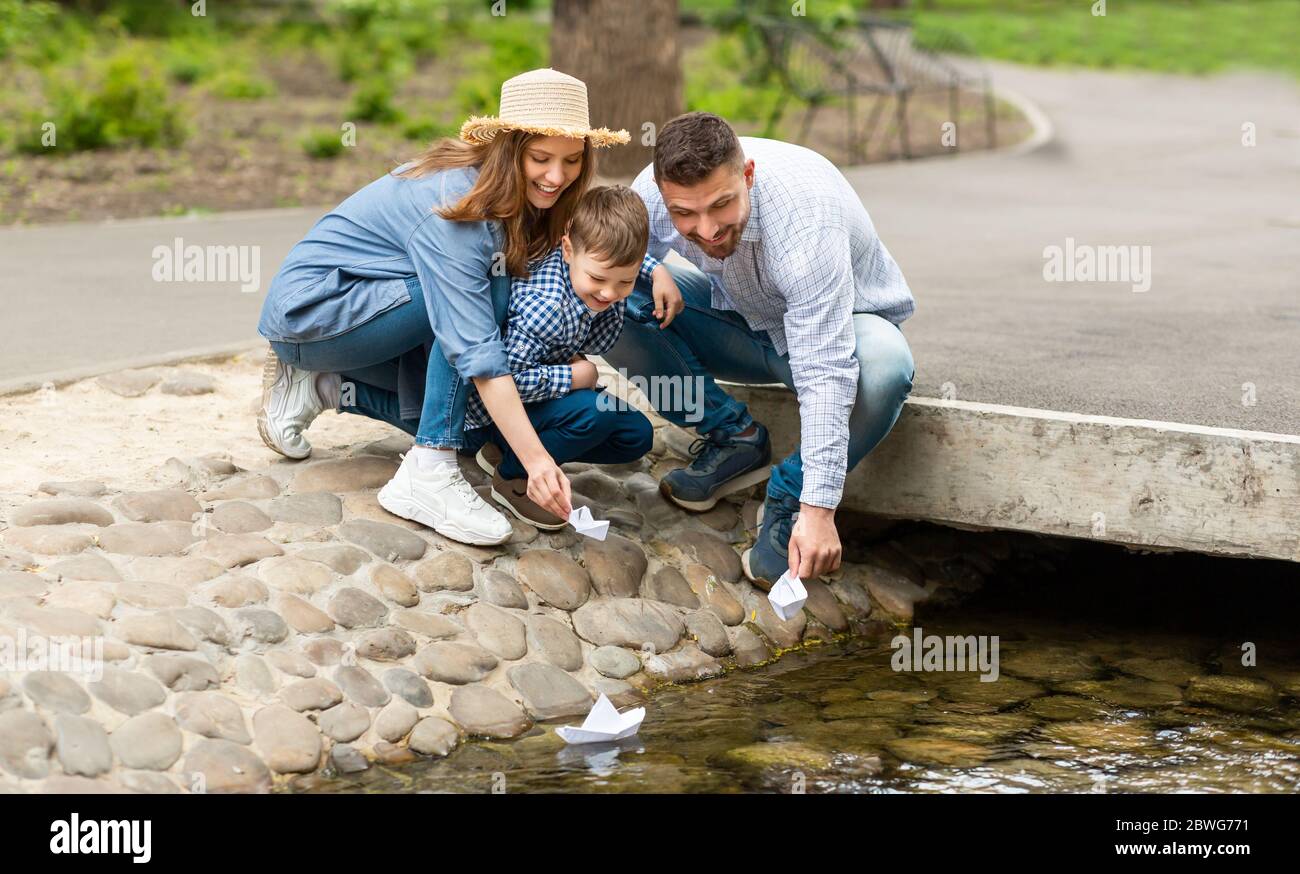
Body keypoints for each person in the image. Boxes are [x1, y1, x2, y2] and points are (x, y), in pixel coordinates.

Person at [254, 68, 684, 546]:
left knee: (474, 426)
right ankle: (428, 469)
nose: (557, 176)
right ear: (509, 148)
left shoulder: (522, 193)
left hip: (380, 312)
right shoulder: (460, 207)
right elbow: (477, 348)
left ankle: (327, 388)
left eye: (572, 160)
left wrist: (650, 268)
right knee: (485, 295)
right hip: (315, 315)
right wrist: (538, 461)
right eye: (540, 158)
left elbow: (590, 239)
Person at [607, 112, 916, 587]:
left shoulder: (805, 221)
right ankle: (735, 438)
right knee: (614, 294)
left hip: (840, 333)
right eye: (684, 214)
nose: (707, 230)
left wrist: (819, 508)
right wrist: (650, 269)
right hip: (739, 325)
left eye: (722, 205)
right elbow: (597, 257)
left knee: (885, 369)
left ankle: (787, 492)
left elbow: (826, 372)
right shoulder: (651, 189)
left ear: (747, 174)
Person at [466, 185, 656, 530]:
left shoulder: (597, 264)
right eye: (598, 279)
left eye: (625, 281)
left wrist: (656, 272)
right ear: (567, 250)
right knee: (594, 414)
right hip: (493, 409)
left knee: (637, 435)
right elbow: (502, 380)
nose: (610, 294)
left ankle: (502, 450)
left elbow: (621, 258)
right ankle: (512, 477)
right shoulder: (548, 307)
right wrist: (575, 378)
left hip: (541, 390)